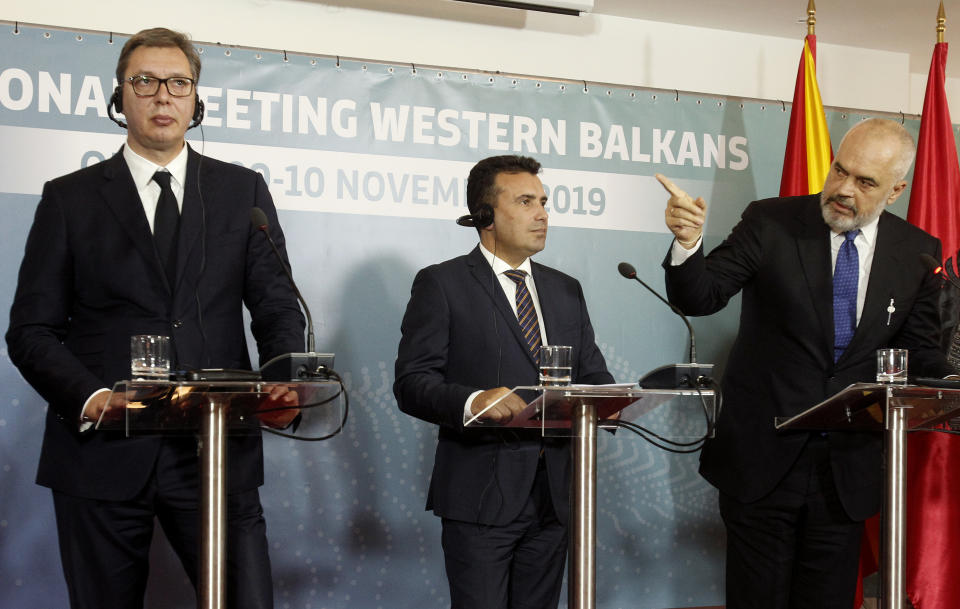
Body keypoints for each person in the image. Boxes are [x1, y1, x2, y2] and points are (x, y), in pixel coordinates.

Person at [6, 27, 305, 609]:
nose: (162, 96)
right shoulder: (70, 198)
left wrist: (284, 375)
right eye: (144, 82)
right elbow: (31, 331)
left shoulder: (241, 191)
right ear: (120, 98)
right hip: (101, 455)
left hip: (216, 449)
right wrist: (92, 399)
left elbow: (275, 304)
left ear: (197, 101)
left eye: (178, 82)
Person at [656, 118, 957, 609]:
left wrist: (949, 382)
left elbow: (918, 349)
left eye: (865, 182)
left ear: (897, 190)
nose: (842, 189)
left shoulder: (917, 251)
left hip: (845, 473)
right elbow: (702, 296)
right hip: (762, 461)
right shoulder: (770, 221)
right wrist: (688, 243)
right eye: (840, 170)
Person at [394, 155, 614, 609]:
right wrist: (474, 400)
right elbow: (412, 383)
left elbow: (592, 374)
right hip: (480, 496)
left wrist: (616, 398)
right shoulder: (443, 284)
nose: (542, 214)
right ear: (486, 216)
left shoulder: (565, 288)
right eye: (526, 201)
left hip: (557, 495)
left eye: (544, 202)